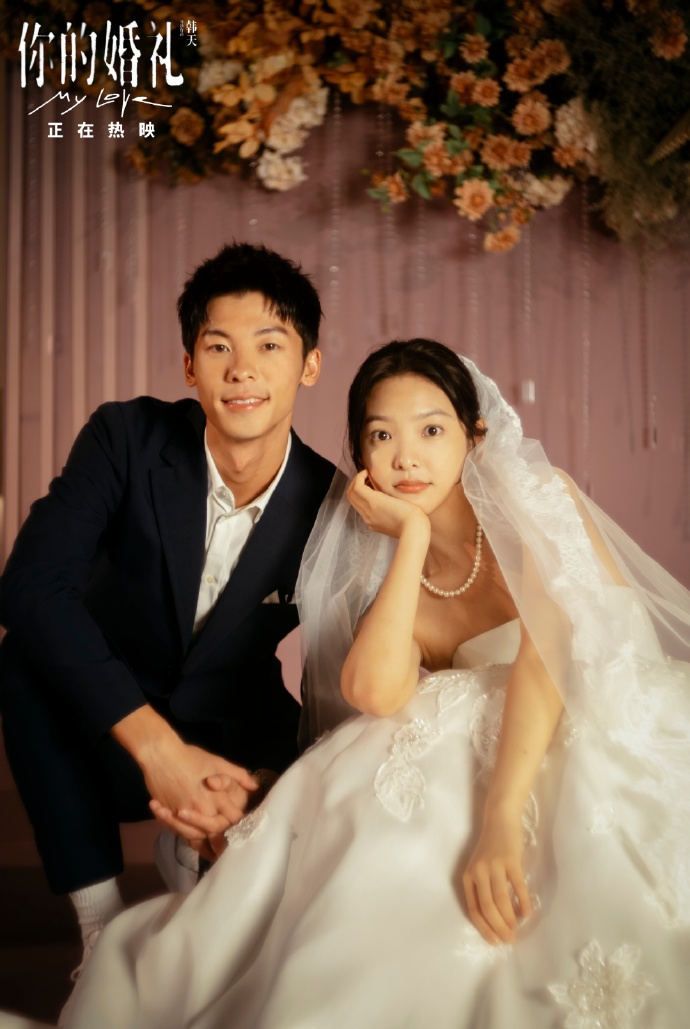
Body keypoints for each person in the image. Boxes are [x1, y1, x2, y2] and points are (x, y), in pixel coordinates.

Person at [34, 340, 690, 1027]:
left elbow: (548, 656)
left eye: (431, 430)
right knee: (392, 740)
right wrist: (410, 539)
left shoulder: (541, 502)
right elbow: (374, 694)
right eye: (381, 436)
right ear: (362, 458)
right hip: (500, 746)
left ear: (474, 437)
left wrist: (500, 822)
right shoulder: (394, 568)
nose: (405, 458)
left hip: (592, 724)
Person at [0, 242, 335, 977]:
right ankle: (99, 927)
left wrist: (264, 782)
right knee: (23, 659)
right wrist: (159, 749)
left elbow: (347, 663)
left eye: (269, 345)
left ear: (309, 364)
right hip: (108, 719)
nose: (242, 370)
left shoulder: (330, 500)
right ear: (189, 366)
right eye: (219, 347)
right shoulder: (126, 436)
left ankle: (203, 853)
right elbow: (30, 585)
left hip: (231, 726)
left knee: (326, 750)